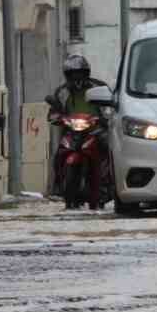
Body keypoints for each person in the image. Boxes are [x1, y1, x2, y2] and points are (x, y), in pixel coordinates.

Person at [46, 54, 109, 203]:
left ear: (87, 72)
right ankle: (57, 187)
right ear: (67, 75)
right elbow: (53, 112)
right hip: (72, 131)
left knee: (108, 148)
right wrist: (57, 117)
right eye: (73, 74)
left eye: (80, 73)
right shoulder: (62, 92)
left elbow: (109, 107)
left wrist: (105, 118)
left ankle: (107, 185)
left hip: (96, 130)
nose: (77, 77)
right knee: (59, 153)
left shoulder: (99, 87)